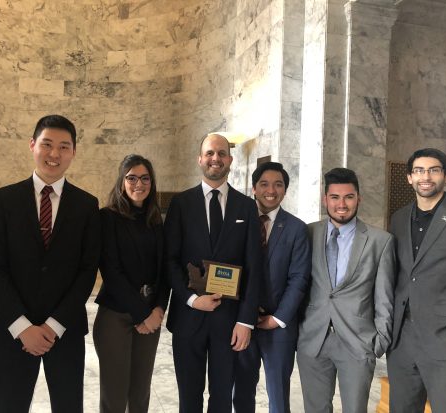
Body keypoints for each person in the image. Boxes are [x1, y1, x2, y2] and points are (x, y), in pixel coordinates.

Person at [0, 115, 101, 413]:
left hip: (65, 329)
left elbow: (88, 271)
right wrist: (23, 327)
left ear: (73, 152)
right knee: (10, 405)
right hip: (14, 330)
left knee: (68, 405)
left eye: (64, 147)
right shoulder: (4, 199)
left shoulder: (87, 205)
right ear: (32, 145)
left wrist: (53, 325)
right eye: (47, 144)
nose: (54, 154)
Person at [164, 132, 262, 412]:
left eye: (221, 153)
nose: (215, 159)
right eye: (209, 153)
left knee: (221, 400)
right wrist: (192, 299)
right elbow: (169, 261)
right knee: (189, 399)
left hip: (230, 322)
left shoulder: (246, 206)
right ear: (200, 159)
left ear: (230, 159)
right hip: (188, 318)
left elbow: (254, 266)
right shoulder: (181, 204)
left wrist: (246, 321)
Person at [297, 167, 395, 413]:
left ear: (359, 198)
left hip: (358, 341)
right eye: (335, 197)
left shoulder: (380, 241)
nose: (342, 204)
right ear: (325, 199)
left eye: (349, 197)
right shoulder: (307, 233)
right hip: (313, 339)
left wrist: (379, 339)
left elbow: (384, 295)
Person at [387, 148, 446, 412]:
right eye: (419, 170)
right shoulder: (398, 218)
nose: (426, 177)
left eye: (434, 170)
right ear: (409, 177)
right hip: (402, 340)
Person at [93, 154, 170, 413]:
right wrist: (142, 314)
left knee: (140, 395)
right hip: (117, 314)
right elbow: (111, 272)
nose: (139, 183)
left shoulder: (156, 220)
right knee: (114, 398)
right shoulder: (107, 218)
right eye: (132, 178)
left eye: (145, 178)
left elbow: (165, 270)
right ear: (121, 181)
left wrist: (159, 308)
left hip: (151, 314)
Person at [233, 161, 311, 413]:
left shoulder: (297, 228)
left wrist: (277, 319)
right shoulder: (238, 222)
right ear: (254, 188)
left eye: (278, 184)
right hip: (242, 321)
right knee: (242, 390)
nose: (271, 190)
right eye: (264, 184)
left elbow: (299, 278)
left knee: (278, 396)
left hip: (278, 328)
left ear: (285, 190)